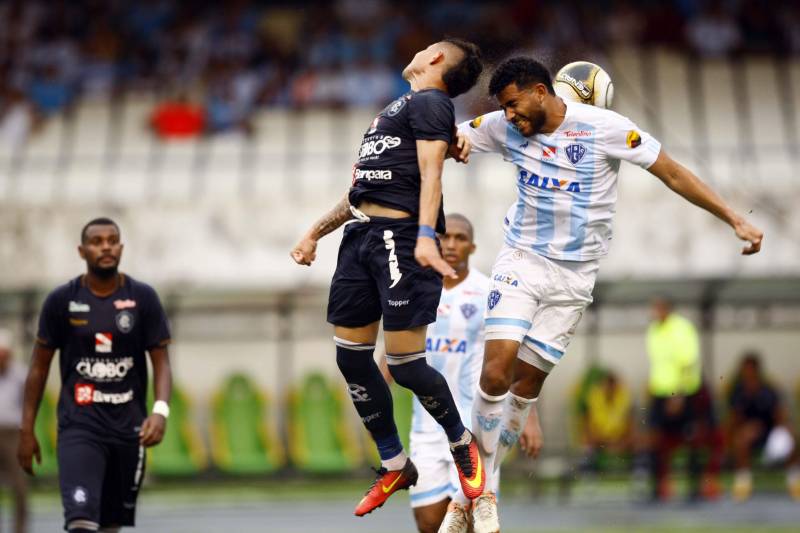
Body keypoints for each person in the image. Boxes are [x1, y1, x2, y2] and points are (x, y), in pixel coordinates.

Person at [456, 57, 763, 531]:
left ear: (541, 91)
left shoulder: (605, 128)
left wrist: (734, 217)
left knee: (526, 386)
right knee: (496, 371)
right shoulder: (502, 124)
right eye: (505, 110)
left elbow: (673, 172)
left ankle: (476, 491)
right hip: (522, 259)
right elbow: (448, 136)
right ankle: (478, 495)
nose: (510, 117)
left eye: (515, 105)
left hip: (575, 277)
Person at [290, 39, 485, 517]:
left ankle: (460, 441)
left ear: (437, 58)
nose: (418, 50)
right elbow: (361, 190)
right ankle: (395, 463)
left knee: (403, 366)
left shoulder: (432, 101)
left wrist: (424, 234)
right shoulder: (396, 111)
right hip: (360, 237)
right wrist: (315, 231)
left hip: (401, 238)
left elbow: (431, 170)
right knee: (352, 359)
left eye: (427, 47)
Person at [380, 214, 542, 533]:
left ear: (472, 246)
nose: (452, 244)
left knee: (472, 522)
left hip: (475, 428)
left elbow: (511, 358)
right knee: (428, 523)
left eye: (460, 238)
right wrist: (374, 399)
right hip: (426, 428)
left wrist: (529, 415)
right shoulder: (412, 290)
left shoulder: (488, 293)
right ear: (435, 242)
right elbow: (394, 351)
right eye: (445, 237)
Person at [17, 218, 173, 533]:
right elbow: (38, 367)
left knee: (108, 525)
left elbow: (162, 362)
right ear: (82, 250)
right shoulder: (62, 301)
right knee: (81, 521)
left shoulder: (143, 298)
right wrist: (26, 429)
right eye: (97, 241)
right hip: (80, 427)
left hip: (129, 429)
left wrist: (159, 411)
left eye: (112, 240)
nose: (105, 247)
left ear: (121, 248)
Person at [645, 296, 723, 501]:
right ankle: (659, 487)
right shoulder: (653, 331)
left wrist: (678, 395)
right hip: (660, 394)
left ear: (667, 309)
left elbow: (688, 362)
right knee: (656, 440)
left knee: (691, 439)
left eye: (658, 308)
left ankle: (695, 488)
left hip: (682, 394)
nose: (654, 313)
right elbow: (659, 365)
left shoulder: (681, 328)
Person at [727, 352, 800, 501]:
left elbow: (780, 415)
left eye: (749, 369)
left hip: (771, 432)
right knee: (741, 440)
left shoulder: (769, 390)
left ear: (757, 370)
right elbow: (733, 419)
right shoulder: (737, 392)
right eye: (744, 369)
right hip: (748, 434)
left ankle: (795, 481)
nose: (747, 373)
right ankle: (743, 484)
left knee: (791, 438)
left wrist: (783, 429)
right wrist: (746, 428)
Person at [0, 329, 28, 533]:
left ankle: (20, 529)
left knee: (19, 485)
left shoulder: (20, 374)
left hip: (12, 433)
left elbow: (28, 404)